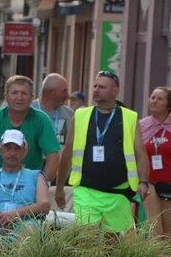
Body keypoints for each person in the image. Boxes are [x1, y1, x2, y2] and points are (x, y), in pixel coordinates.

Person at [56, 71, 148, 233]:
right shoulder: (81, 115)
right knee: (86, 238)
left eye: (102, 87)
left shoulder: (130, 117)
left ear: (115, 91)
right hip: (86, 190)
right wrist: (59, 187)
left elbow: (140, 153)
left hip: (119, 192)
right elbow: (67, 153)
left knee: (112, 243)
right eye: (95, 86)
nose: (96, 90)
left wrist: (143, 181)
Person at [0, 76, 60, 183]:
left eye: (24, 93)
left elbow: (53, 158)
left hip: (29, 186)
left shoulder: (41, 120)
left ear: (32, 97)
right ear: (6, 97)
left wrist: (42, 186)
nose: (19, 97)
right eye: (14, 93)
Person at [140, 87, 171, 238]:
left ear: (168, 105)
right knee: (154, 230)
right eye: (152, 97)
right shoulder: (142, 126)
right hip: (149, 182)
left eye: (159, 98)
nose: (154, 101)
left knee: (168, 234)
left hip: (169, 184)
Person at [31, 74, 73, 148]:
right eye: (64, 91)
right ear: (51, 93)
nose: (67, 95)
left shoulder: (69, 113)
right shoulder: (29, 110)